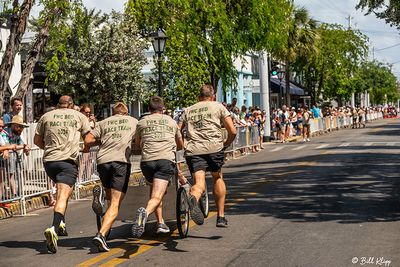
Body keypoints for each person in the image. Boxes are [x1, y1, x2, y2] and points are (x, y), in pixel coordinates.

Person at [34, 95, 91, 254]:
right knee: (62, 196)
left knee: (63, 193)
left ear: (58, 105)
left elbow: (37, 141)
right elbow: (89, 138)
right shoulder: (79, 116)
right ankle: (53, 227)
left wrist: (51, 149)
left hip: (49, 162)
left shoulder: (46, 116)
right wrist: (85, 149)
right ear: (71, 105)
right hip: (67, 162)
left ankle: (61, 223)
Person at [178, 84, 237, 227]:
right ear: (213, 96)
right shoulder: (218, 107)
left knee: (199, 183)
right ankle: (221, 216)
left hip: (194, 150)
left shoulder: (188, 110)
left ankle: (193, 197)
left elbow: (177, 130)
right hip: (214, 148)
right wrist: (226, 143)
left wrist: (183, 144)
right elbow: (233, 131)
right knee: (217, 177)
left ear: (198, 97)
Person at [84, 102, 138, 252]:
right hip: (120, 162)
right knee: (115, 204)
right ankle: (101, 234)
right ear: (126, 112)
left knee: (110, 199)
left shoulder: (103, 123)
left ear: (113, 113)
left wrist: (103, 140)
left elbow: (88, 140)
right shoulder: (133, 121)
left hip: (103, 162)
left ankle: (102, 206)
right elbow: (140, 139)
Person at [131, 96, 183, 238]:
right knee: (157, 195)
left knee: (154, 191)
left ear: (149, 109)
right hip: (164, 161)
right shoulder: (171, 122)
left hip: (147, 162)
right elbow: (180, 144)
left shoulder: (141, 122)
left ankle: (160, 222)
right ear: (162, 109)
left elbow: (137, 144)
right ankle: (145, 213)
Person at [1, 115, 31, 198]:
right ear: (14, 125)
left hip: (12, 157)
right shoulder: (4, 132)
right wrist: (23, 146)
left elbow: (20, 144)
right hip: (3, 159)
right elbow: (9, 146)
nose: (21, 129)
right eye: (20, 127)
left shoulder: (17, 133)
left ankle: (16, 194)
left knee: (16, 174)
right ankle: (12, 195)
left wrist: (25, 146)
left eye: (22, 127)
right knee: (5, 178)